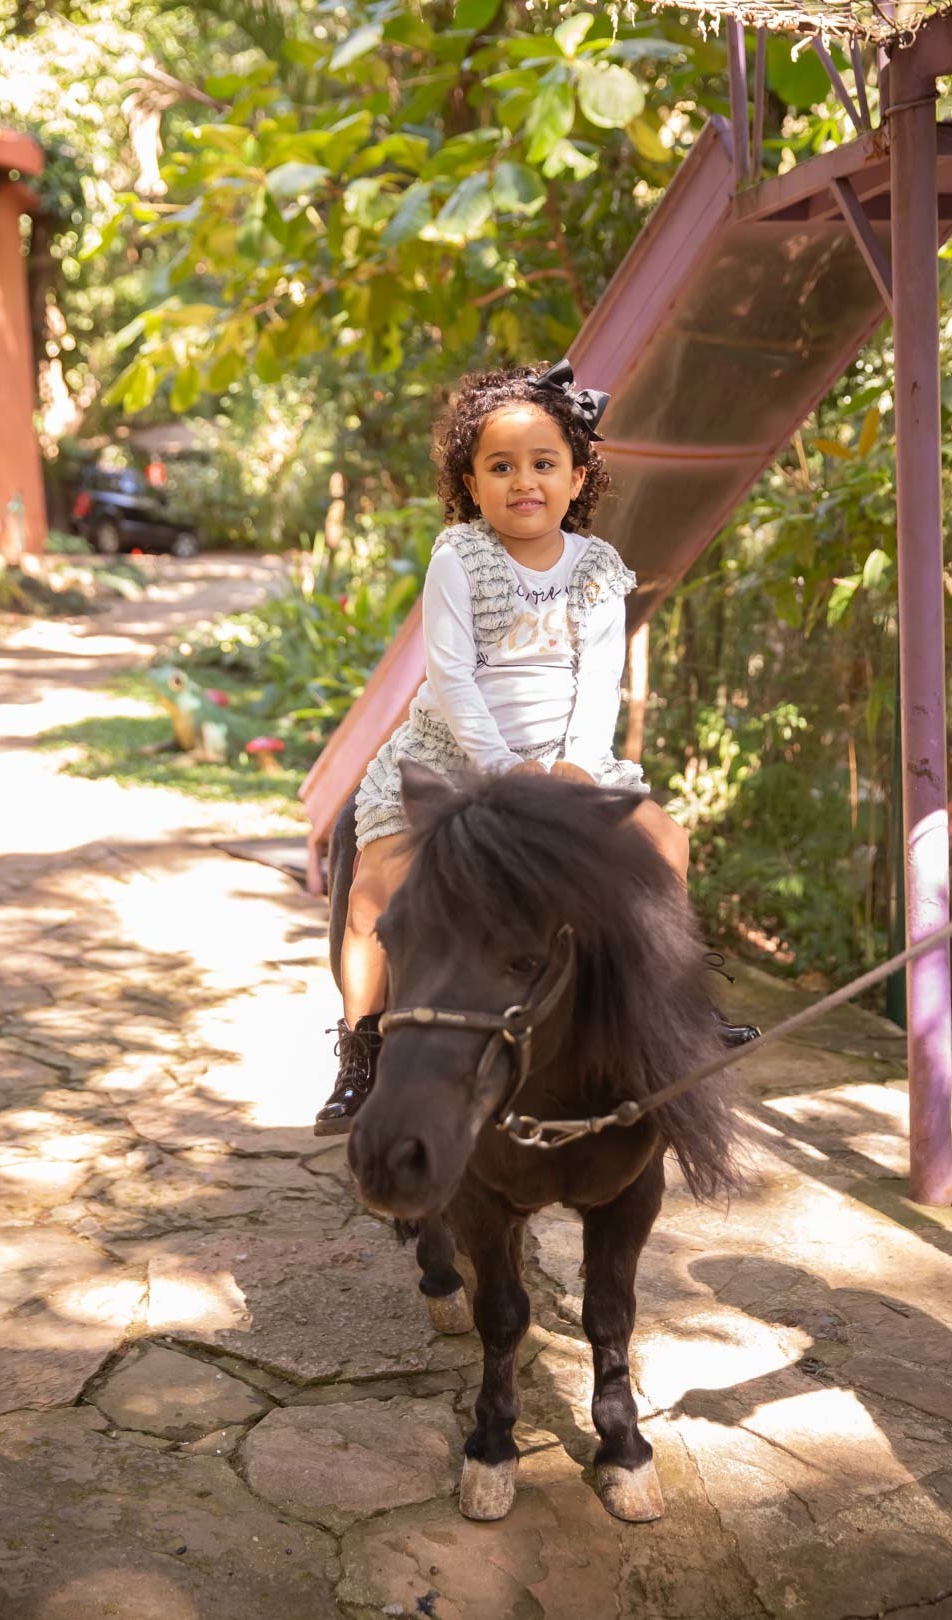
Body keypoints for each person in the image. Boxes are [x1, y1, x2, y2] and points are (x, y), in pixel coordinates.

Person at [314, 359, 757, 1134]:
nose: (525, 481)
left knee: (666, 843)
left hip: (567, 760)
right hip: (455, 757)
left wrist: (574, 769)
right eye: (501, 466)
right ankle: (363, 1050)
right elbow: (451, 677)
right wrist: (506, 771)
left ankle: (670, 1006)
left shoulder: (596, 571)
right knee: (375, 893)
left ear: (579, 475)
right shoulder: (460, 557)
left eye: (544, 463)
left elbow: (598, 684)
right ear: (472, 483)